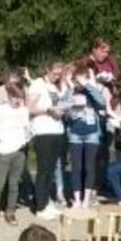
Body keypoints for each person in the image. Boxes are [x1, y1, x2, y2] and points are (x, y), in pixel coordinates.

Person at [27, 60, 70, 219]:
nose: (57, 77)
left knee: (51, 170)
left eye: (60, 74)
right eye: (55, 73)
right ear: (47, 69)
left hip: (57, 130)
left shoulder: (57, 86)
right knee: (43, 170)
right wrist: (48, 110)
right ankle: (40, 207)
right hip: (43, 131)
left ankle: (46, 202)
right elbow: (29, 107)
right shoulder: (38, 84)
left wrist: (63, 110)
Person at [0, 74, 33, 223]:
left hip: (19, 152)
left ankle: (10, 211)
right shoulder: (1, 110)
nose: (17, 100)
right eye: (14, 97)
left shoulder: (24, 111)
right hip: (3, 151)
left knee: (14, 184)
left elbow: (27, 129)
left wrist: (28, 137)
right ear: (9, 96)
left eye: (20, 97)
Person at [65, 65, 109, 214]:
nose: (78, 84)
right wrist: (69, 111)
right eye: (76, 81)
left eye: (80, 81)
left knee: (90, 167)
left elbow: (101, 101)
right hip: (75, 134)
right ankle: (77, 199)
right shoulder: (70, 91)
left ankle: (86, 199)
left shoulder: (92, 92)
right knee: (76, 167)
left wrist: (88, 85)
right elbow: (63, 108)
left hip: (92, 133)